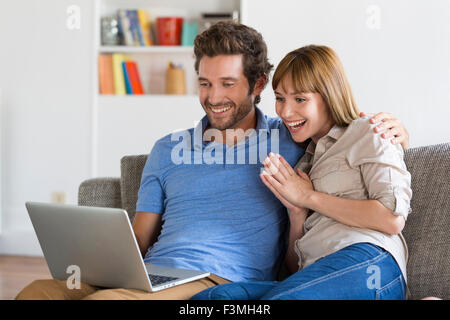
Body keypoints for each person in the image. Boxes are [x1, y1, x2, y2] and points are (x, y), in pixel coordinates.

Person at [16, 22, 410, 300]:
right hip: (153, 276)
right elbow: (138, 238)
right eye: (204, 83)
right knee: (37, 292)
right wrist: (95, 263)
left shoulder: (288, 138)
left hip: (214, 281)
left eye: (227, 84)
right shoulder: (167, 149)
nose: (213, 96)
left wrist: (394, 130)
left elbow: (339, 128)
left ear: (257, 85)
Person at [191, 45, 412, 300]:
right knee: (210, 300)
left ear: (329, 96)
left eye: (300, 99)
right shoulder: (302, 162)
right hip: (315, 274)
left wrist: (308, 197)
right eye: (280, 98)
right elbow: (293, 268)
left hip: (369, 262)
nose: (285, 112)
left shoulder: (369, 131)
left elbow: (391, 218)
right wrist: (297, 213)